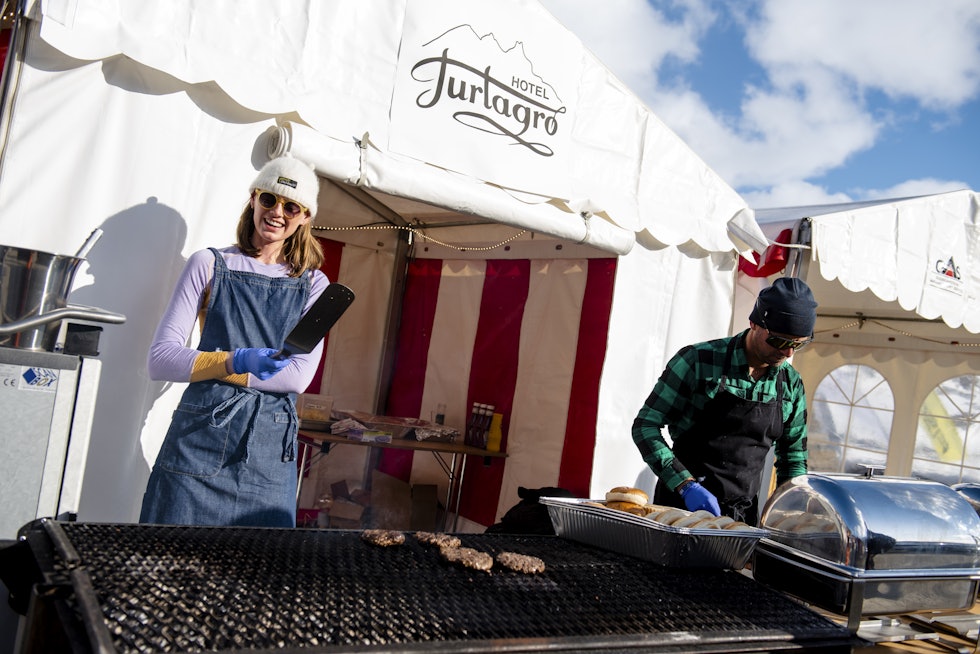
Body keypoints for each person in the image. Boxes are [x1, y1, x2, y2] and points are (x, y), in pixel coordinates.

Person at [140, 156, 330, 528]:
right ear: (253, 198)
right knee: (170, 564)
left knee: (258, 575)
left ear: (306, 217)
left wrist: (214, 367)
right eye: (269, 199)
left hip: (268, 456)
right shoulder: (207, 264)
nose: (278, 212)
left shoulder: (316, 286)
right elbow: (160, 360)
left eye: (292, 206)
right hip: (198, 442)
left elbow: (295, 378)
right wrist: (236, 360)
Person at [631, 276, 818, 526]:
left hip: (741, 518)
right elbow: (645, 426)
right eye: (780, 341)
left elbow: (793, 458)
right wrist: (685, 485)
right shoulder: (698, 361)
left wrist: (789, 512)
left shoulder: (791, 384)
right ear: (754, 323)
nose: (788, 353)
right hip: (679, 509)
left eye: (799, 344)